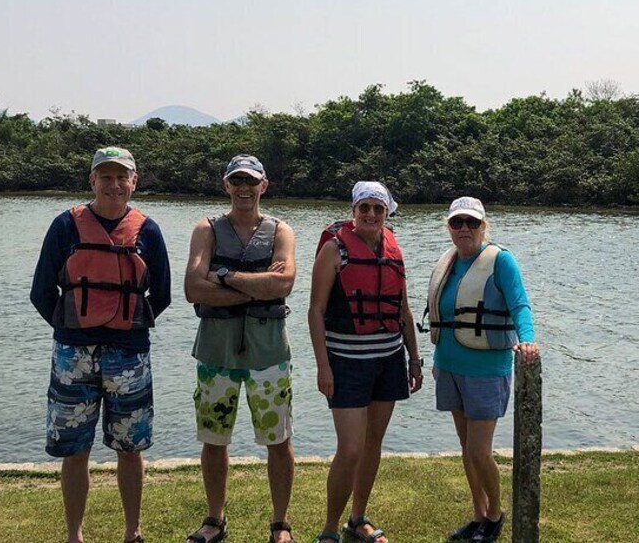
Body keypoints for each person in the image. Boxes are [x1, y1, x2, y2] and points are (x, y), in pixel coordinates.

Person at [30, 146, 171, 543]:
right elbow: (42, 291)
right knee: (75, 449)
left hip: (129, 354)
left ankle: (132, 532)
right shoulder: (65, 226)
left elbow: (161, 294)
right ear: (92, 181)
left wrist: (126, 327)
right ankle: (75, 534)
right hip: (73, 353)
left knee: (131, 447)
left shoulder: (148, 231)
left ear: (134, 182)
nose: (113, 185)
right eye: (105, 177)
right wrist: (73, 326)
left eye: (121, 176)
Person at [183, 154, 298, 543]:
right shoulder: (207, 229)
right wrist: (256, 287)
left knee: (278, 440)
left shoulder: (281, 230)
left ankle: (280, 523)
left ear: (264, 185)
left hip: (269, 354)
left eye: (252, 181)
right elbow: (193, 289)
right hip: (216, 353)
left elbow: (284, 285)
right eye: (237, 181)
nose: (244, 188)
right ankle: (214, 520)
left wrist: (227, 278)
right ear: (226, 185)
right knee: (214, 440)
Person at [308, 181, 423, 543]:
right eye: (364, 208)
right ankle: (329, 527)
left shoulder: (394, 249)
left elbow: (403, 311)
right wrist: (322, 366)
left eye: (378, 208)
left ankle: (357, 520)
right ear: (354, 210)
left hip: (388, 359)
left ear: (387, 212)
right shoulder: (335, 249)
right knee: (351, 447)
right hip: (346, 361)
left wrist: (415, 359)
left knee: (373, 442)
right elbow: (315, 311)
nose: (371, 214)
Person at [423, 197, 540, 543]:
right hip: (449, 365)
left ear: (483, 226)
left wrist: (528, 339)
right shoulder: (448, 263)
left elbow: (520, 303)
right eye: (457, 223)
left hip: (486, 368)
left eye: (471, 223)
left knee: (478, 450)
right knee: (465, 447)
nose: (464, 229)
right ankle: (478, 514)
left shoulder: (500, 261)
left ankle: (495, 513)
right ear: (449, 227)